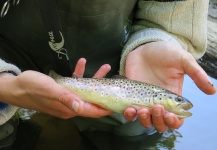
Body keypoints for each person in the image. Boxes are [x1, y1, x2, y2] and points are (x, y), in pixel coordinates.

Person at [0, 0, 216, 148]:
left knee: (133, 136)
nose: (180, 103)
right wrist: (5, 85)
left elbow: (173, 10)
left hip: (122, 62)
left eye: (177, 100)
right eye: (177, 100)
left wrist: (158, 37)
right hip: (5, 53)